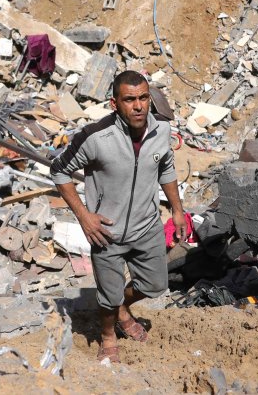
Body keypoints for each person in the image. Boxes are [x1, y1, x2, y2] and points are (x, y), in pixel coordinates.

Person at [51, 71, 187, 364]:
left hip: (147, 226)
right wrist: (84, 216)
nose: (138, 106)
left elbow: (166, 168)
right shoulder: (96, 137)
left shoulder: (161, 129)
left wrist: (177, 211)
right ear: (115, 103)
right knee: (107, 298)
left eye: (143, 98)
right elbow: (59, 170)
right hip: (107, 233)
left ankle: (121, 307)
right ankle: (109, 335)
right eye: (129, 100)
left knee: (154, 286)